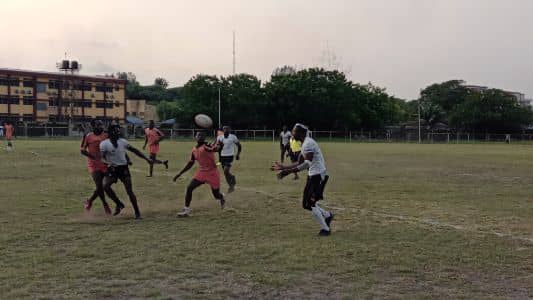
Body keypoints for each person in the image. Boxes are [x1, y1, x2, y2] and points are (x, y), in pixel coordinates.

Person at [271, 123, 334, 236]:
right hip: (313, 175)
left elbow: (306, 163)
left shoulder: (308, 144)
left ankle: (326, 229)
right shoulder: (304, 143)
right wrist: (283, 167)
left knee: (311, 203)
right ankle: (328, 215)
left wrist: (288, 172)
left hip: (319, 176)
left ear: (301, 133)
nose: (292, 133)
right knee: (306, 204)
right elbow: (299, 162)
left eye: (294, 131)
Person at [100, 124, 152, 219]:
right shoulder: (104, 144)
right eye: (116, 131)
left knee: (129, 191)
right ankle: (119, 203)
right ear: (111, 133)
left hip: (123, 168)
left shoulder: (123, 142)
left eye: (119, 131)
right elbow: (102, 158)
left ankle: (137, 213)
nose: (119, 132)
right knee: (105, 186)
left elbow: (134, 150)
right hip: (112, 169)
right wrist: (108, 163)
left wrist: (146, 158)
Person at [173, 131, 225, 217]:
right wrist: (179, 173)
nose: (200, 137)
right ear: (195, 137)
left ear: (204, 137)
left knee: (216, 195)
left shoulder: (207, 145)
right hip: (201, 172)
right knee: (189, 188)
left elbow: (215, 149)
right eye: (198, 135)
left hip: (212, 173)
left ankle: (221, 197)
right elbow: (190, 163)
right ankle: (186, 209)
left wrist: (220, 146)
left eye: (202, 135)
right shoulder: (194, 149)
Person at [80, 119, 116, 215]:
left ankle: (90, 201)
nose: (101, 126)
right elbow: (82, 150)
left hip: (105, 163)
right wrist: (93, 157)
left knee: (104, 186)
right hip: (93, 164)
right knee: (99, 185)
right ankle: (105, 205)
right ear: (93, 126)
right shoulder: (88, 136)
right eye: (98, 125)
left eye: (101, 125)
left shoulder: (106, 135)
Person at [217, 126, 242, 193]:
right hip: (222, 156)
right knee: (226, 173)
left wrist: (238, 154)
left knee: (226, 171)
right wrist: (219, 157)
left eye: (227, 129)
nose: (225, 130)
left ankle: (232, 179)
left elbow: (239, 145)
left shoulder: (233, 137)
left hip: (230, 156)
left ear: (230, 130)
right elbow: (218, 148)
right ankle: (231, 186)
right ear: (222, 130)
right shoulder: (219, 137)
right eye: (224, 129)